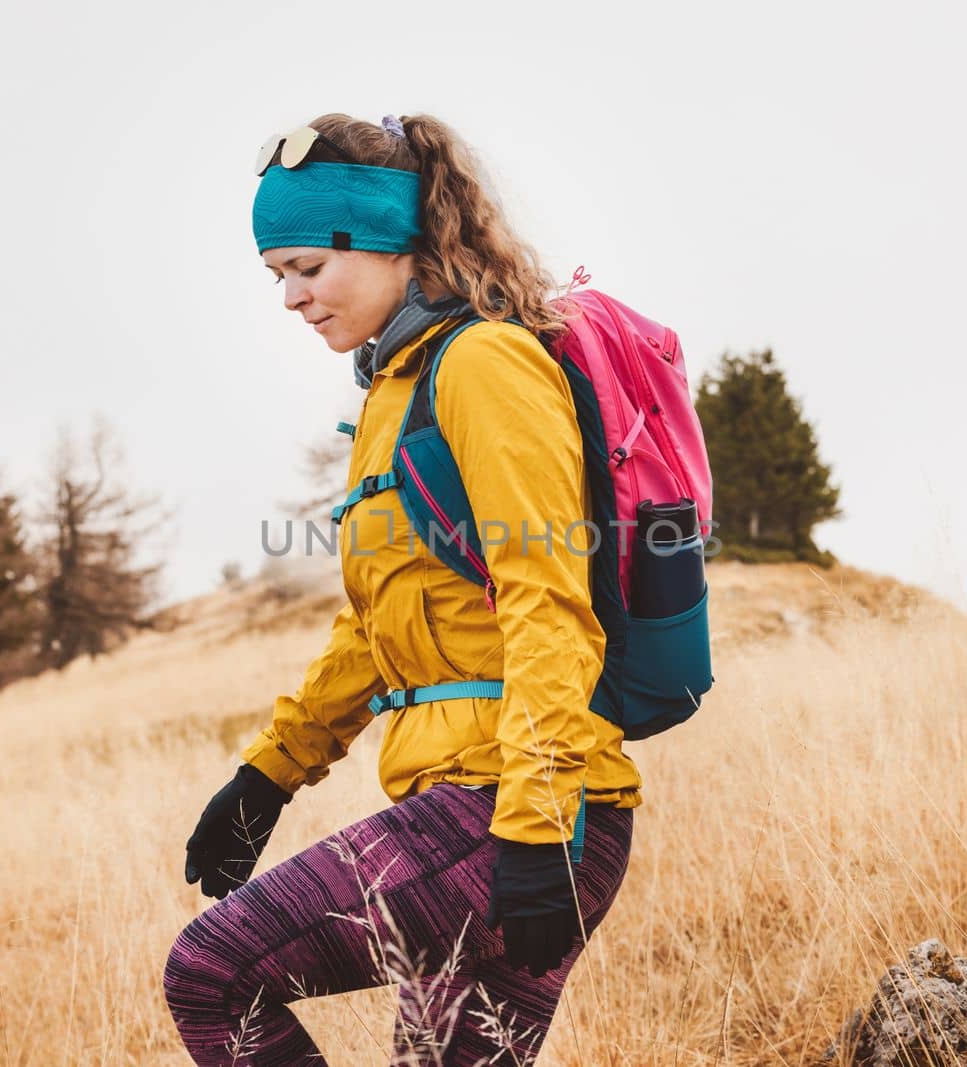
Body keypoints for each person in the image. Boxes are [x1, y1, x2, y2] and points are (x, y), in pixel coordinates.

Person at [163, 112, 641, 1066]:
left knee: (211, 972)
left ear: (385, 241)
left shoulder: (485, 363)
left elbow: (549, 595)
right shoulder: (394, 387)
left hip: (514, 808)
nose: (291, 297)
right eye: (275, 277)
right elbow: (376, 624)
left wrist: (539, 823)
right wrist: (269, 774)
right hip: (484, 803)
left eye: (307, 267)